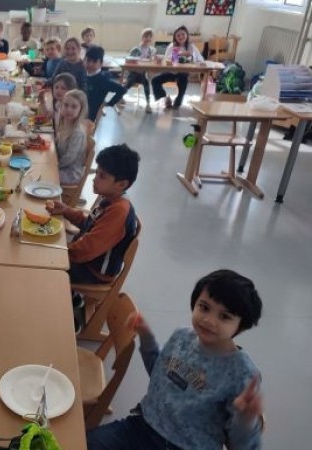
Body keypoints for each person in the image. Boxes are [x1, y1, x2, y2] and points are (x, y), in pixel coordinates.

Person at [86, 269, 264, 450]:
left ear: (241, 325)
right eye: (204, 307)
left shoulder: (241, 373)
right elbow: (159, 377)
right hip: (141, 427)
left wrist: (246, 420)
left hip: (184, 447)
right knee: (80, 444)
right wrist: (146, 337)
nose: (209, 320)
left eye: (224, 316)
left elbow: (244, 446)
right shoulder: (181, 337)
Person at [47, 143, 139, 286]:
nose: (95, 178)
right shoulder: (109, 197)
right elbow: (89, 224)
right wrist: (66, 211)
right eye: (97, 172)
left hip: (92, 272)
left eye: (102, 176)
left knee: (42, 263)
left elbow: (86, 250)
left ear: (121, 184)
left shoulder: (119, 210)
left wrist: (58, 250)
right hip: (86, 260)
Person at [152, 25, 204, 109]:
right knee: (155, 80)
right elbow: (166, 59)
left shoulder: (191, 46)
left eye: (183, 34)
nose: (181, 37)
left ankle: (178, 100)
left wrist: (191, 55)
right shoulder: (172, 46)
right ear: (175, 37)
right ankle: (165, 98)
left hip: (183, 73)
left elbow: (200, 59)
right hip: (170, 72)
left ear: (187, 35)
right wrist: (176, 54)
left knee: (183, 80)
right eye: (178, 35)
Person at [85, 46, 127, 123]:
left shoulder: (102, 80)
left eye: (94, 62)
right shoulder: (84, 76)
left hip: (93, 117)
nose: (90, 64)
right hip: (83, 113)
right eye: (88, 60)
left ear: (101, 64)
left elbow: (122, 90)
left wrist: (108, 104)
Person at [55, 89, 88, 185]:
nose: (69, 109)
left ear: (80, 110)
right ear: (61, 106)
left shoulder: (77, 132)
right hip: (61, 166)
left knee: (44, 174)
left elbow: (69, 158)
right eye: (66, 105)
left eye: (74, 107)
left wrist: (54, 166)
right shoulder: (63, 124)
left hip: (71, 173)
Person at [123, 28, 156, 113]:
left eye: (150, 37)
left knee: (146, 84)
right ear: (142, 37)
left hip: (142, 74)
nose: (148, 39)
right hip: (133, 73)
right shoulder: (136, 49)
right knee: (129, 83)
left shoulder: (151, 50)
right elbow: (128, 61)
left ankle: (148, 104)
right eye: (146, 37)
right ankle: (120, 97)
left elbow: (151, 62)